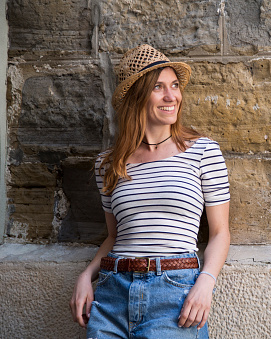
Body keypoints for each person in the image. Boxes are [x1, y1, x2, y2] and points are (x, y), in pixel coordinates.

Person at [69, 44, 230, 338]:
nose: (172, 97)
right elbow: (115, 236)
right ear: (137, 97)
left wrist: (205, 283)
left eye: (175, 86)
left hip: (174, 293)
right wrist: (86, 275)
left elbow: (220, 232)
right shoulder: (108, 163)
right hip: (111, 293)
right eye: (159, 87)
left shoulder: (202, 151)